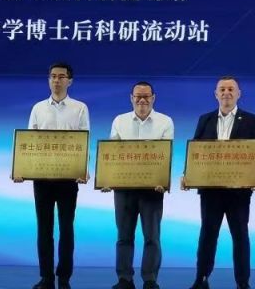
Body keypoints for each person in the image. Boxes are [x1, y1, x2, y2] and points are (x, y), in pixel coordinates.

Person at [16, 62, 90, 289]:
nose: (56, 80)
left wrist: (83, 169)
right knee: (44, 228)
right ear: (49, 80)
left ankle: (64, 278)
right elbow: (29, 142)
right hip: (42, 178)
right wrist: (21, 169)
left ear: (70, 81)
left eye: (61, 76)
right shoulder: (38, 108)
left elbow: (84, 141)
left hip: (68, 178)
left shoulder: (79, 108)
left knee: (66, 229)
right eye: (53, 76)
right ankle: (46, 278)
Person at [184, 76, 255, 289]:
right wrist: (187, 174)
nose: (226, 93)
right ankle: (201, 278)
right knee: (208, 235)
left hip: (239, 191)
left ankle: (243, 282)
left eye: (230, 89)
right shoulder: (205, 119)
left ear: (238, 94)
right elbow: (196, 151)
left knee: (240, 235)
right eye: (222, 89)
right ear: (216, 94)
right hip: (211, 190)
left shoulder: (251, 120)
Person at [104, 81, 174, 289]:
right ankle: (124, 279)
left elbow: (165, 155)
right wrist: (107, 178)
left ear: (153, 98)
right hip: (124, 189)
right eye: (138, 96)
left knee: (152, 237)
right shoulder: (120, 120)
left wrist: (163, 180)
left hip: (153, 189)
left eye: (146, 96)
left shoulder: (165, 121)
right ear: (131, 98)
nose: (142, 100)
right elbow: (112, 154)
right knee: (124, 236)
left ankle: (150, 279)